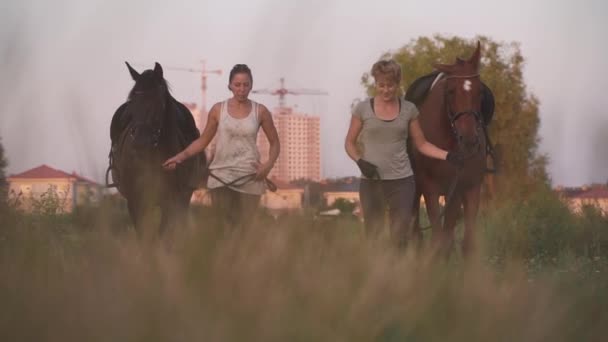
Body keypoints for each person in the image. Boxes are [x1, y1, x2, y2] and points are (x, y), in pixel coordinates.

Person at [344, 59, 463, 246]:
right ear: (376, 83)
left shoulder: (409, 110)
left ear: (397, 84)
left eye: (390, 85)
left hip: (402, 182)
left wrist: (447, 155)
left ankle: (399, 272)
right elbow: (349, 143)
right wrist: (360, 161)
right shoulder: (362, 109)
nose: (385, 90)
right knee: (373, 236)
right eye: (381, 85)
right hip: (371, 182)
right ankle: (376, 273)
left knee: (400, 237)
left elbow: (422, 144)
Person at [163, 64, 280, 230]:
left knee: (244, 233)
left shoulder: (260, 112)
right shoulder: (218, 110)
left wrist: (267, 166)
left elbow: (275, 143)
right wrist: (179, 158)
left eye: (246, 85)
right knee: (223, 230)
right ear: (230, 86)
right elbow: (203, 141)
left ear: (251, 86)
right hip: (220, 178)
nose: (241, 89)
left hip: (250, 178)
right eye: (237, 85)